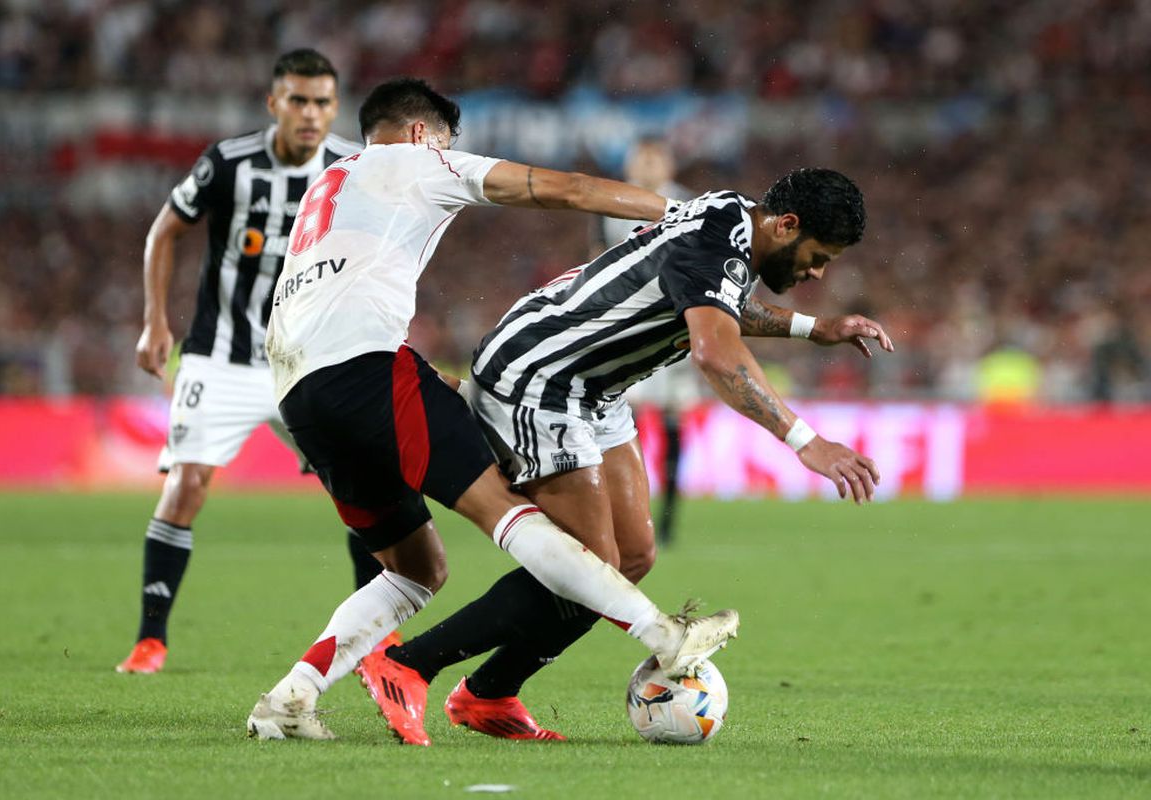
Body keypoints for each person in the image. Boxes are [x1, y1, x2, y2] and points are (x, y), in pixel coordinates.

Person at [244, 77, 741, 743]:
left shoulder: (331, 183)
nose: (449, 152)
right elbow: (563, 188)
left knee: (418, 569)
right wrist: (681, 213)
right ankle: (662, 632)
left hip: (298, 392)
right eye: (447, 141)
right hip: (365, 369)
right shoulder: (419, 159)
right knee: (510, 513)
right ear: (423, 133)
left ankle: (289, 699)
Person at [356, 169, 892, 743]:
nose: (817, 272)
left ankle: (489, 694)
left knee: (631, 557)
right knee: (593, 562)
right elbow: (715, 352)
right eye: (819, 256)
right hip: (541, 377)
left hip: (595, 389)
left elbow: (723, 307)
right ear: (786, 225)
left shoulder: (733, 227)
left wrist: (815, 328)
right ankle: (409, 664)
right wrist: (806, 441)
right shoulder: (717, 244)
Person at [115, 49, 385, 675]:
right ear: (274, 104)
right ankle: (150, 640)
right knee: (186, 487)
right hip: (223, 358)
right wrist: (156, 321)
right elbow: (164, 231)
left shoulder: (351, 167)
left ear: (335, 108)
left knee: (369, 490)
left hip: (309, 361)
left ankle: (372, 639)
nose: (310, 114)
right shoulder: (228, 163)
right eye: (297, 100)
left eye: (321, 102)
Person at [592, 137, 701, 546]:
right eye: (642, 159)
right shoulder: (611, 204)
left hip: (675, 334)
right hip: (627, 334)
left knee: (673, 429)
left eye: (656, 158)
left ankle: (669, 522)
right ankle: (628, 516)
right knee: (625, 428)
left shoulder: (692, 207)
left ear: (669, 164)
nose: (649, 166)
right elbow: (596, 264)